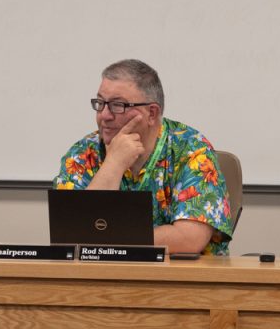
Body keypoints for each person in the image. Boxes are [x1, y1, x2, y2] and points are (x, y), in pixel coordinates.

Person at [53, 59, 234, 254]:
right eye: (100, 103)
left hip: (181, 279)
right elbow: (71, 234)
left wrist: (107, 239)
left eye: (117, 105)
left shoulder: (192, 150)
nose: (104, 115)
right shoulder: (83, 153)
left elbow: (190, 239)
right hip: (104, 278)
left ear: (152, 113)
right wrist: (113, 164)